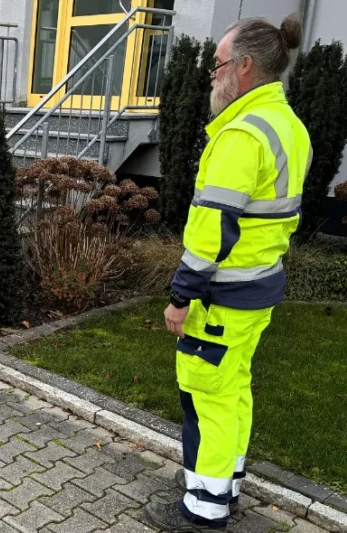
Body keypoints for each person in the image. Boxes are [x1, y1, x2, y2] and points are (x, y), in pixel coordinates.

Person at [145, 14, 312, 532]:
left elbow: (211, 231)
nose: (211, 76)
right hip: (258, 287)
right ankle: (223, 484)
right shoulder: (289, 125)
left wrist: (181, 296)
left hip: (222, 295)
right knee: (233, 389)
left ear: (244, 66)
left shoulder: (241, 135)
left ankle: (204, 511)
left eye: (216, 65)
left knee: (206, 397)